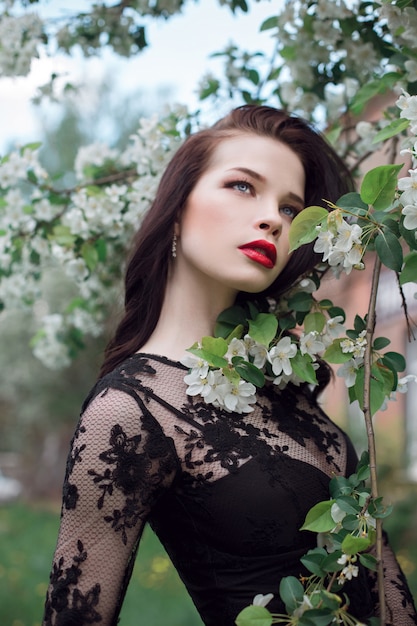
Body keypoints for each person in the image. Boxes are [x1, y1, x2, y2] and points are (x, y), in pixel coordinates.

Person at [42, 105, 417, 626]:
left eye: (290, 209)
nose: (272, 219)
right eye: (243, 186)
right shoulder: (128, 411)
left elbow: (387, 591)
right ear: (177, 207)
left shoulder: (281, 384)